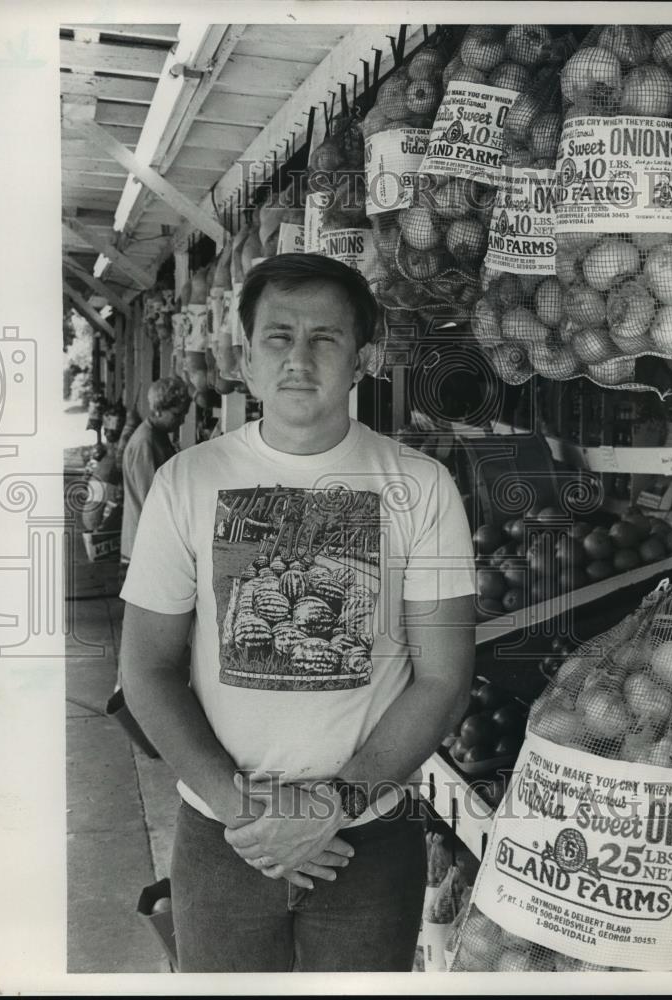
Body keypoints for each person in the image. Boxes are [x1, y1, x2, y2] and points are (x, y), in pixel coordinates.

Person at [120, 254, 476, 973]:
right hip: (224, 836)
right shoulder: (186, 482)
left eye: (325, 338)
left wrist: (332, 805)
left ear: (363, 359)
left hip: (368, 836)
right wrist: (247, 810)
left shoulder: (422, 486)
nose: (299, 359)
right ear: (247, 360)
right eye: (278, 337)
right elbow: (147, 671)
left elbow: (442, 681)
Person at [119, 376, 191, 582]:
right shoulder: (146, 443)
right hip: (145, 546)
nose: (182, 421)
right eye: (177, 414)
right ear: (159, 409)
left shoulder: (158, 435)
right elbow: (152, 502)